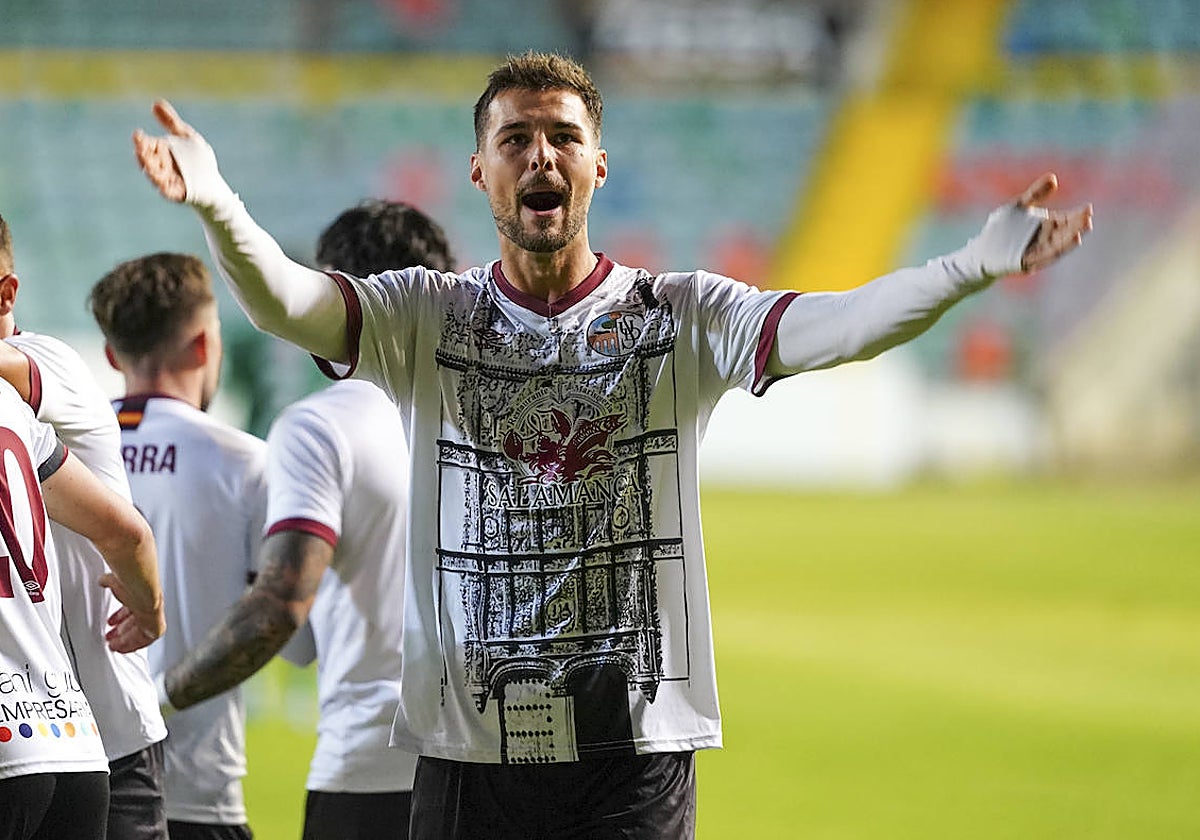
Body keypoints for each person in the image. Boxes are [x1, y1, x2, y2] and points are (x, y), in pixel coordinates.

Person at [133, 51, 1093, 839]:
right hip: (471, 752)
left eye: (564, 138)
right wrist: (218, 203)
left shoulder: (679, 315)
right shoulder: (423, 317)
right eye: (515, 139)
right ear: (481, 170)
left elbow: (838, 325)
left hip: (634, 755)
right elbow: (291, 300)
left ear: (599, 165)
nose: (540, 156)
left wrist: (971, 264)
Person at [159, 199, 454, 840]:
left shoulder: (321, 426)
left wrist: (156, 703)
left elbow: (282, 617)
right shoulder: (495, 414)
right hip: (493, 766)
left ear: (334, 293)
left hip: (370, 768)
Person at [0, 211, 171, 840]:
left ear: (6, 294)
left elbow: (128, 534)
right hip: (56, 722)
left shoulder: (49, 364)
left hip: (109, 729)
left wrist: (150, 610)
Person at [88, 252, 268, 840]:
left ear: (114, 356)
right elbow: (294, 642)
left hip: (89, 776)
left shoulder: (62, 453)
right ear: (202, 347)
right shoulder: (244, 460)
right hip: (200, 790)